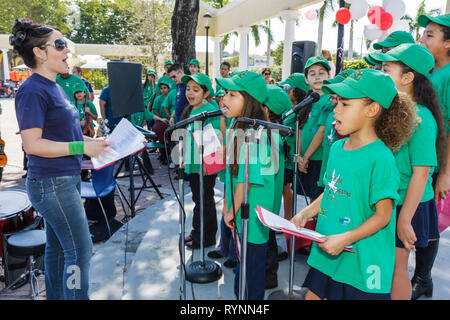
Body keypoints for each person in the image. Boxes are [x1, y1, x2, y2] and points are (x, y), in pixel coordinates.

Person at [292, 68, 417, 300]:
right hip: (329, 251)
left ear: (372, 109)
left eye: (345, 104)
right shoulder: (338, 148)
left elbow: (383, 216)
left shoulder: (381, 158)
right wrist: (305, 214)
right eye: (337, 102)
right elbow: (331, 189)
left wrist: (345, 239)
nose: (335, 110)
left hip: (362, 262)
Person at [10, 18, 109, 300]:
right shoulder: (32, 90)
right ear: (40, 53)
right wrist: (81, 147)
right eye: (61, 45)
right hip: (52, 185)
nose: (68, 51)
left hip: (64, 180)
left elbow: (63, 134)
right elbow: (33, 145)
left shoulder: (53, 86)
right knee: (79, 250)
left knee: (56, 250)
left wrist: (94, 143)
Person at [369, 43, 446, 300]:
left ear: (407, 77)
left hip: (408, 204)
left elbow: (421, 175)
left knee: (396, 269)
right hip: (388, 198)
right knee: (383, 264)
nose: (380, 74)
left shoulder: (421, 119)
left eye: (386, 69)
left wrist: (404, 220)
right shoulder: (389, 110)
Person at [217, 70, 278, 300]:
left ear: (250, 101)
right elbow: (231, 173)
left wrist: (232, 210)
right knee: (241, 273)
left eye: (233, 94)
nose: (224, 99)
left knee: (250, 276)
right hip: (240, 213)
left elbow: (247, 180)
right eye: (225, 93)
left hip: (252, 216)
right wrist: (226, 205)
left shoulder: (257, 133)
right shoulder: (236, 126)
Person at [416, 13, 450, 300]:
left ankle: (423, 278)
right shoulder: (428, 72)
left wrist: (445, 173)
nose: (423, 39)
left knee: (429, 221)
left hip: (437, 163)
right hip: (421, 157)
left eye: (430, 35)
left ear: (448, 43)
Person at [180, 73, 220, 249]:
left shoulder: (210, 110)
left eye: (196, 90)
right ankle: (198, 232)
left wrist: (207, 163)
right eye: (188, 89)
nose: (190, 93)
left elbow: (215, 137)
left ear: (205, 93)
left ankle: (205, 237)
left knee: (205, 201)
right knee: (199, 200)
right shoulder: (192, 110)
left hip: (204, 166)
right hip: (194, 163)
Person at [262, 84, 291, 289]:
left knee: (267, 243)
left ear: (266, 109)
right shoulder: (274, 133)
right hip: (267, 203)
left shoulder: (270, 136)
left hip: (265, 203)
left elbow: (265, 175)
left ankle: (269, 277)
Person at [297, 56, 334, 203]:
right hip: (305, 159)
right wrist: (299, 156)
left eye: (321, 73)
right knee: (310, 199)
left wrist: (305, 157)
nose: (317, 77)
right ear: (306, 79)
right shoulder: (307, 100)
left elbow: (322, 131)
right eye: (312, 74)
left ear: (329, 76)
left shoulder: (330, 99)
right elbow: (300, 129)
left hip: (318, 159)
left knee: (317, 200)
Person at [278, 73, 310, 221]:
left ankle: (287, 218)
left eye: (289, 88)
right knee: (283, 188)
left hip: (291, 158)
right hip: (283, 156)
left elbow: (298, 134)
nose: (286, 91)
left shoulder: (301, 111)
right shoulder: (288, 108)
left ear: (297, 91)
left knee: (286, 188)